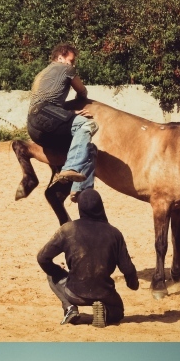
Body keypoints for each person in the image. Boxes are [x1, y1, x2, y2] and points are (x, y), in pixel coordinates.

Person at [37, 185, 140, 326]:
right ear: (100, 207)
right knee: (118, 312)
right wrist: (133, 283)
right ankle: (106, 312)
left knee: (51, 274)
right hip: (104, 293)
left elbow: (42, 258)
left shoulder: (68, 229)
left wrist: (56, 269)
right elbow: (127, 268)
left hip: (74, 293)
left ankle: (69, 308)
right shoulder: (114, 233)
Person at [24, 43, 97, 201]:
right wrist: (80, 101)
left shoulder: (42, 74)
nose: (73, 64)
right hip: (45, 112)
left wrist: (68, 113)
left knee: (89, 149)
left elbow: (48, 101)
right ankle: (70, 167)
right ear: (60, 57)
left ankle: (80, 190)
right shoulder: (65, 69)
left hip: (34, 125)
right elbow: (82, 91)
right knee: (87, 124)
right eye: (71, 60)